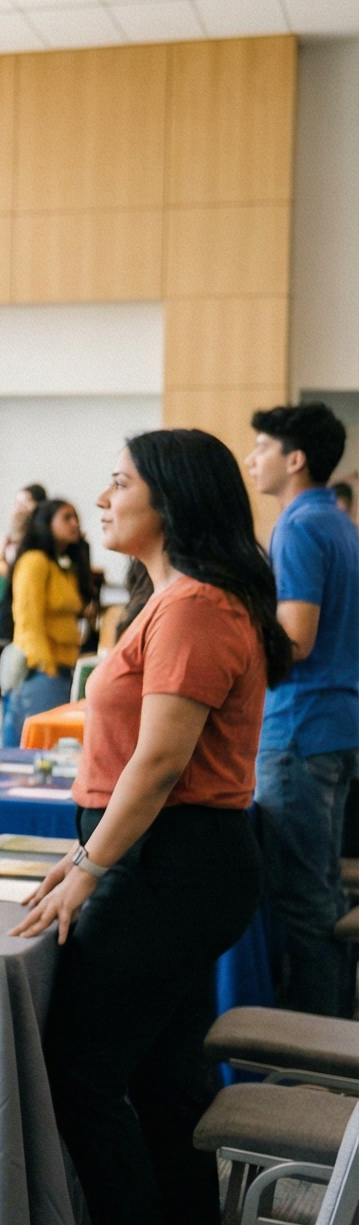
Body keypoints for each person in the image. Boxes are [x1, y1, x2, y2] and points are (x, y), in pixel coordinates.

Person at [13, 429, 286, 1225]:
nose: (102, 497)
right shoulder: (175, 599)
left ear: (169, 500)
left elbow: (162, 763)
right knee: (162, 1077)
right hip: (170, 857)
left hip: (174, 862)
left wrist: (95, 862)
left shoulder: (196, 607)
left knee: (81, 1074)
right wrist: (84, 852)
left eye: (120, 481)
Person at [244, 403, 359, 1016]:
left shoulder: (298, 526)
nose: (250, 457)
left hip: (299, 727)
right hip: (336, 725)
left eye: (261, 446)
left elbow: (297, 638)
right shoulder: (340, 521)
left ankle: (318, 1048)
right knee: (321, 889)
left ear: (294, 459)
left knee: (303, 900)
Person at [0, 498, 90, 747]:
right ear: (46, 523)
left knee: (53, 747)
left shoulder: (62, 566)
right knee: (35, 749)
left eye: (76, 517)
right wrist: (45, 666)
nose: (75, 523)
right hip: (40, 668)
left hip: (62, 667)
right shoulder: (34, 561)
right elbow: (28, 620)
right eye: (66, 517)